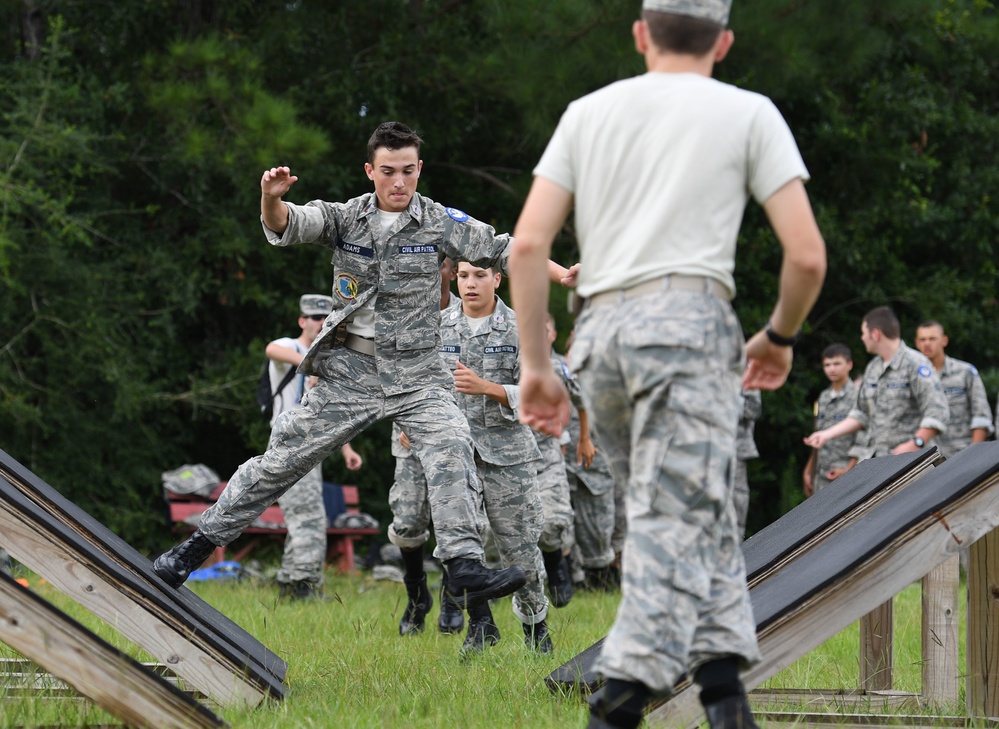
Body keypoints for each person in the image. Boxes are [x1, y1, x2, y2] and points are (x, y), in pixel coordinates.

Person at [508, 1, 827, 726]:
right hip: (686, 329)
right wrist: (777, 335)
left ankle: (722, 695)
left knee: (699, 505)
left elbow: (526, 248)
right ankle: (622, 688)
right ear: (724, 43)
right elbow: (805, 256)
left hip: (600, 334)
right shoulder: (747, 113)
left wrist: (536, 364)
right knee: (667, 512)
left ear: (640, 35)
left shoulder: (587, 112)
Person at [153, 122, 577, 618]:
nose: (399, 183)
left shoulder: (439, 221)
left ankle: (463, 563)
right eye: (389, 172)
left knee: (452, 442)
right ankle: (192, 550)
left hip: (419, 373)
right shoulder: (346, 217)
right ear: (370, 171)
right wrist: (270, 198)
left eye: (408, 172)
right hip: (353, 370)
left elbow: (507, 248)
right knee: (281, 460)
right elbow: (289, 224)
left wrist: (562, 272)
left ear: (420, 169)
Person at [439, 261, 551, 654]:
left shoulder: (522, 327)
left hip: (508, 456)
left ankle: (537, 630)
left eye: (480, 276)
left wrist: (489, 388)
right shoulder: (439, 326)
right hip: (456, 456)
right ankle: (481, 625)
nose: (470, 284)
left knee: (521, 549)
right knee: (461, 548)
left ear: (497, 279)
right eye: (464, 275)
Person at [265, 293, 364, 599]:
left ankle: (291, 580)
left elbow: (331, 414)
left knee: (305, 512)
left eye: (326, 318)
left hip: (314, 443)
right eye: (314, 318)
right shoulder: (291, 347)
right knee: (308, 514)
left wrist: (347, 451)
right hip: (290, 441)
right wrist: (313, 363)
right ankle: (304, 584)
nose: (320, 323)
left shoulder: (330, 360)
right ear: (302, 321)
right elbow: (271, 349)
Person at [388, 256, 465, 636]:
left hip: (455, 434)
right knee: (407, 522)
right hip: (408, 435)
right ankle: (416, 592)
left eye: (438, 269)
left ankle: (453, 595)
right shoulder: (401, 315)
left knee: (456, 519)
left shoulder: (468, 318)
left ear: (449, 272)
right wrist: (402, 421)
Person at [804, 307, 949, 459]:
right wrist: (826, 434)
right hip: (877, 461)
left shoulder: (915, 364)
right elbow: (861, 414)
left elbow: (938, 411)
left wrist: (915, 443)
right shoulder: (873, 368)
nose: (862, 338)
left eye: (863, 333)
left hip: (912, 462)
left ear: (875, 334)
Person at [531, 312, 579, 608]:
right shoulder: (500, 358)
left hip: (547, 452)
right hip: (513, 455)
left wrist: (579, 437)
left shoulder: (556, 368)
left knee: (553, 523)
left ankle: (556, 567)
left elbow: (576, 401)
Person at [914, 320, 993, 458]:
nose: (927, 343)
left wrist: (972, 456)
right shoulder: (912, 378)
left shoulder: (965, 372)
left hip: (960, 455)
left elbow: (981, 417)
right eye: (922, 339)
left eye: (932, 338)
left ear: (944, 340)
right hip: (925, 460)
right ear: (916, 343)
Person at [802, 343, 860, 496]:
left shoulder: (857, 396)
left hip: (847, 474)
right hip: (821, 475)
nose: (831, 369)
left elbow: (863, 439)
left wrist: (849, 470)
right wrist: (809, 470)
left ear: (849, 365)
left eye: (837, 364)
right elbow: (818, 434)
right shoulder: (824, 397)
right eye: (827, 365)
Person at [732, 389, 760, 541]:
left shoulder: (746, 372)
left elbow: (754, 409)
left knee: (736, 503)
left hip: (735, 452)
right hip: (702, 452)